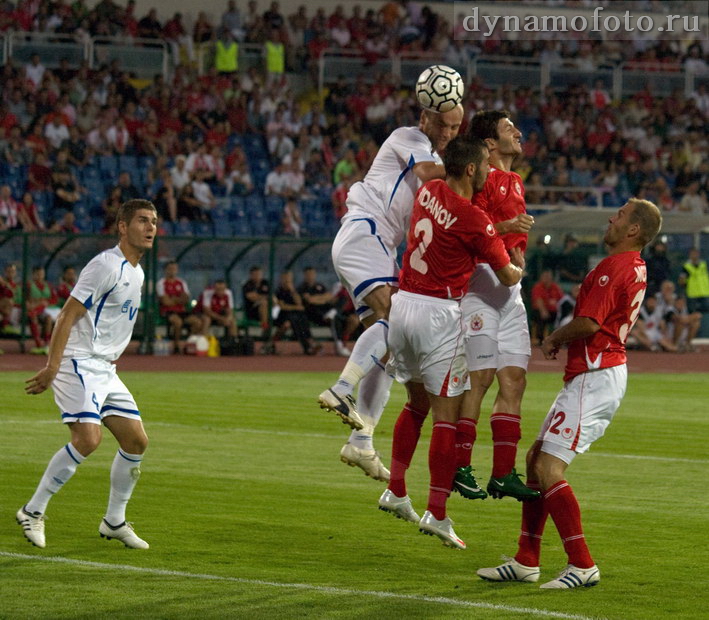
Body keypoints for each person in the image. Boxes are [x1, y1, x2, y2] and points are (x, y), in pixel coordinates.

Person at [477, 198, 662, 589]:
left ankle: (582, 563)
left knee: (548, 469)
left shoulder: (614, 267)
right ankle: (527, 559)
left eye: (621, 215)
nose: (612, 218)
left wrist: (554, 338)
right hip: (593, 374)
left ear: (633, 231)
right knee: (534, 460)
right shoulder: (634, 265)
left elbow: (590, 323)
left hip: (596, 374)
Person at [380, 137, 524, 549]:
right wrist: (516, 265)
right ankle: (438, 513)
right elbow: (507, 275)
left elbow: (456, 228)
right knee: (447, 413)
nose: (487, 172)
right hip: (438, 314)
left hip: (403, 305)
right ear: (470, 170)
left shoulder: (429, 191)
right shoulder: (474, 217)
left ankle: (395, 488)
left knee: (415, 403)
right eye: (483, 165)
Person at [317, 96, 464, 481]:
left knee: (389, 347)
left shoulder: (433, 158)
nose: (447, 133)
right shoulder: (408, 137)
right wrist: (475, 166)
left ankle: (361, 441)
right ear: (425, 118)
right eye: (443, 125)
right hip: (366, 231)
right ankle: (342, 388)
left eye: (455, 128)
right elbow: (433, 173)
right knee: (396, 323)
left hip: (379, 246)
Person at [19, 199, 158, 550]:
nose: (151, 227)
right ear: (122, 227)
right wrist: (53, 366)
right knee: (88, 439)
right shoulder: (104, 266)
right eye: (143, 220)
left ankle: (114, 521)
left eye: (154, 221)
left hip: (105, 369)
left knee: (136, 441)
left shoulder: (138, 272)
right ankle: (32, 511)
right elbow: (66, 315)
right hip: (78, 361)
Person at [455, 110, 538, 503]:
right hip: (480, 285)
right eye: (508, 128)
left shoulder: (516, 181)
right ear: (489, 144)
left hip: (510, 292)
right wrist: (506, 231)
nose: (518, 132)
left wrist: (520, 253)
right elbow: (471, 224)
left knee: (514, 382)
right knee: (482, 378)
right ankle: (459, 464)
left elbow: (513, 234)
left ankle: (503, 473)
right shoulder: (480, 178)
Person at [297, 266, 350, 357]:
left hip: (325, 310)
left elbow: (329, 296)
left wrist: (318, 299)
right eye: (308, 274)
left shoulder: (320, 286)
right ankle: (312, 345)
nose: (311, 276)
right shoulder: (302, 288)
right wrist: (321, 299)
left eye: (312, 274)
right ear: (305, 275)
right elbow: (310, 300)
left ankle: (340, 345)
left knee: (337, 316)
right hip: (313, 314)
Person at [156, 261, 202, 354]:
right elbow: (166, 302)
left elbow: (186, 298)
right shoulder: (161, 283)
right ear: (166, 270)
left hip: (181, 311)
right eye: (170, 269)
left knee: (197, 322)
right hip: (168, 312)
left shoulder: (181, 282)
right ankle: (176, 346)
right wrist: (178, 299)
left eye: (174, 269)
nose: (173, 271)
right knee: (178, 322)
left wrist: (173, 299)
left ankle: (188, 345)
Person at [273, 271, 322, 355]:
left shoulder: (294, 291)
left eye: (289, 280)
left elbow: (299, 303)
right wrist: (295, 307)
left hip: (293, 316)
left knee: (301, 317)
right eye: (285, 279)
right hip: (280, 315)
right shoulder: (278, 291)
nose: (287, 281)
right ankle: (308, 344)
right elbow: (282, 306)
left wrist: (292, 291)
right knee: (293, 318)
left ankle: (309, 343)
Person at [25, 265, 56, 354]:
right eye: (37, 274)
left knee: (49, 318)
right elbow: (26, 300)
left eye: (41, 274)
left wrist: (45, 302)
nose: (39, 276)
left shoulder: (48, 285)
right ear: (33, 275)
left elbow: (54, 299)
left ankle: (46, 344)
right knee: (33, 316)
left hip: (45, 310)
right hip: (32, 311)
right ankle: (38, 343)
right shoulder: (29, 285)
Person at [530, 269, 564, 345]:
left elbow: (562, 299)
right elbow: (538, 300)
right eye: (545, 276)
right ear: (541, 277)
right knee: (540, 317)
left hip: (553, 312)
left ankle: (558, 340)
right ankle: (540, 340)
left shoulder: (555, 287)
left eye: (549, 276)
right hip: (539, 311)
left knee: (561, 318)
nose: (547, 278)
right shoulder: (538, 287)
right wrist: (543, 310)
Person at [679, 248, 709, 316]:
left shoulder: (704, 264)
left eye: (696, 253)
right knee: (692, 313)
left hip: (705, 292)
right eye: (693, 254)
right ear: (689, 255)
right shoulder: (686, 266)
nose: (695, 255)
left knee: (706, 313)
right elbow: (682, 280)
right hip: (692, 294)